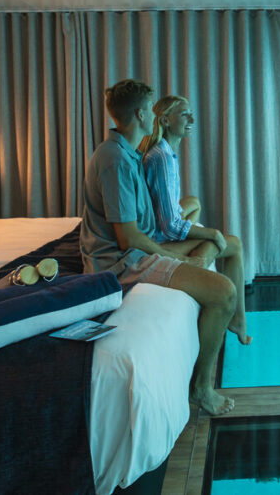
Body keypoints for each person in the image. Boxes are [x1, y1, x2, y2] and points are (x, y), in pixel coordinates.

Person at [79, 79, 236, 415]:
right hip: (120, 261)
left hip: (135, 248)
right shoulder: (115, 160)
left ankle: (220, 332)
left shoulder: (128, 153)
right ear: (139, 113)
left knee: (210, 251)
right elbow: (128, 239)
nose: (154, 116)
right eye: (149, 111)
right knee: (224, 292)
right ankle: (202, 389)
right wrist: (172, 257)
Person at [139, 95, 251, 346]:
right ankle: (236, 317)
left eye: (191, 113)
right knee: (231, 243)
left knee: (194, 202)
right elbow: (168, 225)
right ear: (166, 121)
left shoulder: (164, 152)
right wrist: (210, 233)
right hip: (157, 239)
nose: (191, 119)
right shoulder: (161, 158)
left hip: (159, 230)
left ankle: (237, 318)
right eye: (184, 114)